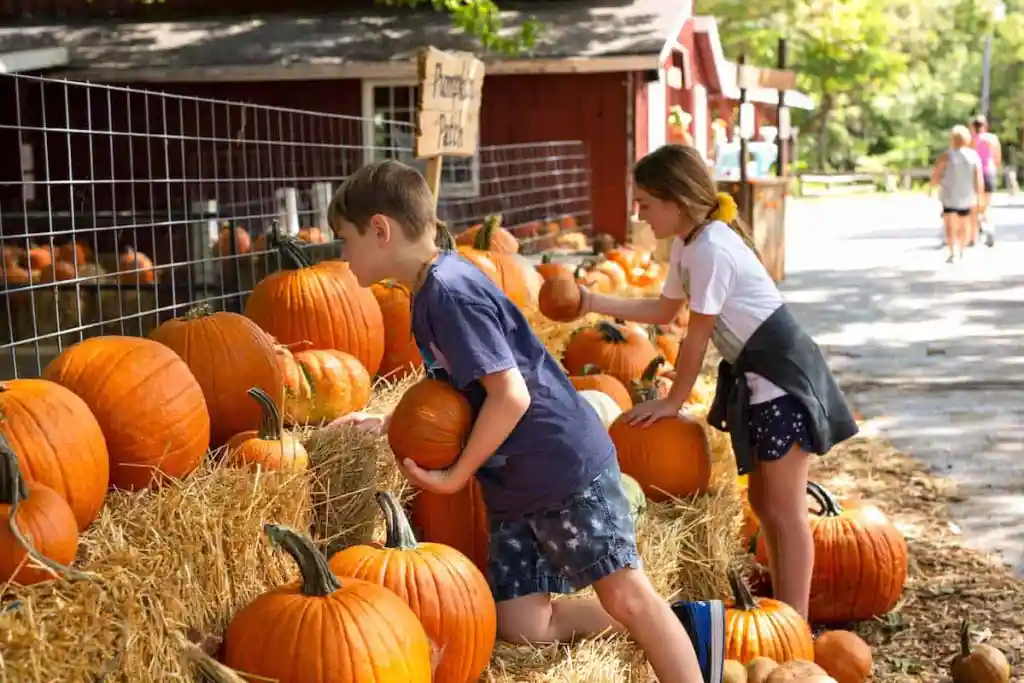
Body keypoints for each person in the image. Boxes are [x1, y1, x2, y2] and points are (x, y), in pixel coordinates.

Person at [325, 159, 725, 683]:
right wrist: (393, 423)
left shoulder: (449, 292)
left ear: (380, 230)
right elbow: (459, 392)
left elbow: (510, 395)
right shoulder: (431, 287)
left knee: (625, 594)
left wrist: (455, 474)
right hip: (517, 482)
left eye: (344, 239)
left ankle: (680, 653)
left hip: (560, 464)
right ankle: (679, 624)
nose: (341, 254)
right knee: (523, 623)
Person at [577, 144, 858, 620]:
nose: (639, 214)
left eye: (645, 203)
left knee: (787, 511)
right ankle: (784, 609)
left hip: (783, 380)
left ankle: (794, 623)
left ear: (677, 200)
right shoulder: (689, 244)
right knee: (764, 503)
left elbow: (696, 337)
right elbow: (665, 313)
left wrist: (673, 401)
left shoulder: (710, 248)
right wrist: (590, 300)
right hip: (757, 379)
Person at [930, 125, 984, 263]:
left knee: (949, 224)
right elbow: (978, 178)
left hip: (949, 195)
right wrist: (979, 196)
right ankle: (960, 248)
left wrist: (932, 186)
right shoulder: (973, 156)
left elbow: (937, 173)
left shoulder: (946, 155)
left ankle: (953, 250)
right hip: (966, 195)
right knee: (963, 223)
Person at [970, 115, 1000, 246]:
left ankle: (975, 234)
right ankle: (988, 229)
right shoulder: (993, 139)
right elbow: (997, 157)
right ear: (985, 126)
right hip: (989, 174)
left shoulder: (970, 140)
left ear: (973, 127)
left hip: (975, 175)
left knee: (974, 206)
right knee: (985, 206)